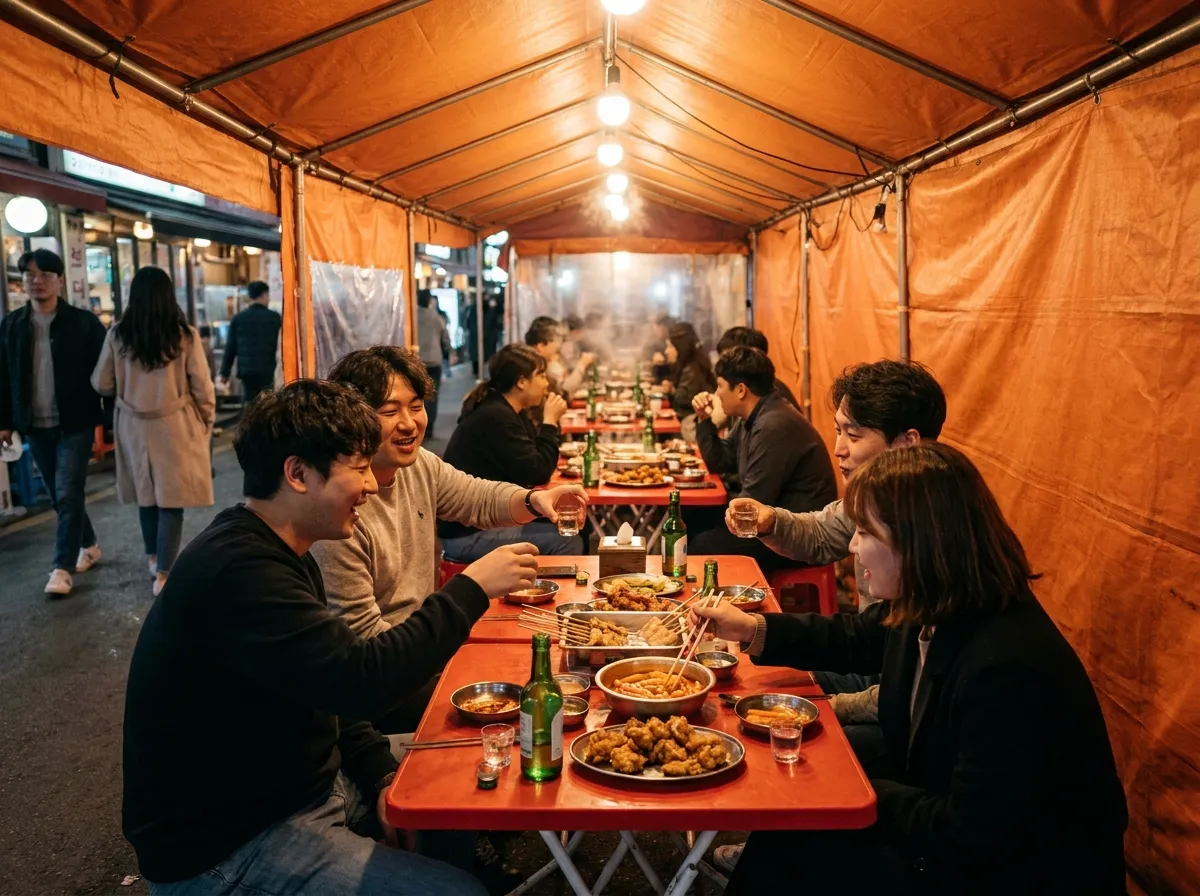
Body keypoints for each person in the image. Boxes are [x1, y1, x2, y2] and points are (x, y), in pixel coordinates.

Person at [121, 379, 539, 896]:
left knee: (465, 761)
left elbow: (328, 693)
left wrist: (382, 773)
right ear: (297, 473)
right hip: (230, 844)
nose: (371, 484)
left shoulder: (286, 547)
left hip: (306, 785)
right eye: (358, 468)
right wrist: (471, 588)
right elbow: (361, 680)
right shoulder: (240, 571)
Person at [693, 443, 1128, 895]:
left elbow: (973, 831)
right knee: (789, 831)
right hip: (959, 839)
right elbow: (855, 637)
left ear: (921, 541)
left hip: (1017, 872)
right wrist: (748, 627)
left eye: (866, 533)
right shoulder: (934, 603)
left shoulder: (1007, 665)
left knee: (800, 836)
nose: (854, 549)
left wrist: (853, 791)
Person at [707, 358, 947, 873]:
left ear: (906, 442)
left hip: (921, 749)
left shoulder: (934, 530)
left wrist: (834, 706)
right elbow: (864, 628)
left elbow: (916, 688)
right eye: (838, 431)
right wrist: (755, 623)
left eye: (852, 434)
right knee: (766, 686)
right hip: (885, 677)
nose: (853, 549)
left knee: (797, 737)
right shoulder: (883, 499)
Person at [310, 345, 586, 641]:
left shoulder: (417, 465)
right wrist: (472, 586)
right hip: (400, 662)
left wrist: (533, 501)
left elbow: (477, 497)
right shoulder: (337, 514)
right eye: (390, 411)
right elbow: (365, 647)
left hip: (426, 639)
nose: (409, 423)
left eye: (416, 407)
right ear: (353, 418)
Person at [91, 267, 216, 597]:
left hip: (132, 425)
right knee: (171, 500)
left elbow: (100, 382)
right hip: (175, 424)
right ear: (168, 296)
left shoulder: (118, 335)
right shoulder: (184, 336)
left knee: (145, 495)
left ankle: (152, 558)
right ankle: (164, 573)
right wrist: (206, 421)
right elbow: (202, 386)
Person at [0, 249, 106, 596]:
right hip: (35, 424)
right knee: (64, 495)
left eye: (45, 274)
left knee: (66, 492)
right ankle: (88, 544)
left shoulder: (83, 323)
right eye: (30, 275)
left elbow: (104, 374)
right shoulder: (12, 325)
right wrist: (5, 421)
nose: (37, 281)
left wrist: (107, 415)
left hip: (74, 423)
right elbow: (3, 377)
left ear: (60, 280)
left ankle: (61, 568)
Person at [689, 346, 836, 572]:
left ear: (740, 390)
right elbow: (720, 461)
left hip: (794, 537)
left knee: (701, 544)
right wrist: (703, 419)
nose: (716, 394)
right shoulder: (755, 415)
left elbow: (751, 506)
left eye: (719, 385)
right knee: (689, 517)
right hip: (768, 524)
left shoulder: (772, 426)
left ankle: (715, 604)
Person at [440, 344, 579, 560]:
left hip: (491, 519)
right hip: (467, 536)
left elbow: (534, 458)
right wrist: (550, 421)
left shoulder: (508, 408)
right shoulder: (496, 416)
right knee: (568, 538)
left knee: (575, 522)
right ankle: (546, 593)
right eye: (541, 375)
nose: (546, 383)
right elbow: (538, 471)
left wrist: (548, 420)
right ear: (522, 382)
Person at [216, 280, 280, 405]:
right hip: (267, 369)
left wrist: (224, 372)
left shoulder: (238, 318)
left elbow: (230, 347)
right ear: (264, 295)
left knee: (250, 404)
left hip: (247, 370)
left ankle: (250, 422)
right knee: (267, 403)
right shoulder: (274, 317)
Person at [524, 315, 594, 396]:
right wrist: (582, 363)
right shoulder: (531, 367)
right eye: (555, 339)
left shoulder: (544, 362)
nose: (559, 345)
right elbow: (563, 392)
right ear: (541, 346)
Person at [415, 290, 451, 438]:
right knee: (433, 394)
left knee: (418, 394)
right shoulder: (436, 317)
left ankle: (418, 425)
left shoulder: (412, 316)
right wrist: (447, 354)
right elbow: (445, 338)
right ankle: (429, 428)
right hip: (434, 360)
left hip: (416, 359)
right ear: (429, 300)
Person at [662, 321, 717, 418]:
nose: (666, 351)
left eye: (670, 346)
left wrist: (672, 390)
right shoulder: (687, 365)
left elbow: (681, 404)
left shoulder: (692, 371)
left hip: (693, 426)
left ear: (681, 348)